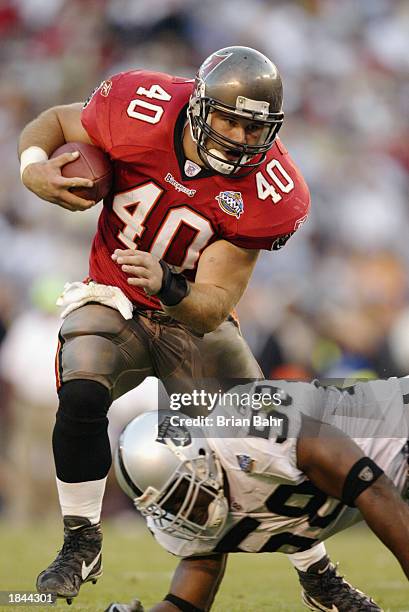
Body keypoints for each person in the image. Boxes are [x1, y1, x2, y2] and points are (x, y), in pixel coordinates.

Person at [18, 46, 315, 602]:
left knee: (258, 447)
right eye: (229, 119)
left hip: (192, 318)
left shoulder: (273, 191)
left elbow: (213, 302)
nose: (241, 137)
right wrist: (32, 166)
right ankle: (80, 539)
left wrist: (170, 283)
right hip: (115, 295)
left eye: (255, 128)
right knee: (82, 378)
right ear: (199, 106)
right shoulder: (141, 105)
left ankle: (318, 567)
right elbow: (55, 121)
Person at [108, 377, 409, 612]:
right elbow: (186, 603)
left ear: (198, 460)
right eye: (168, 508)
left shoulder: (248, 433)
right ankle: (320, 583)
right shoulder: (182, 524)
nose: (181, 514)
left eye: (179, 496)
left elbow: (374, 488)